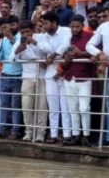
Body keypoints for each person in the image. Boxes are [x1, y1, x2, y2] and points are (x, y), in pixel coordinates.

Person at [58, 14, 94, 146]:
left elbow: (96, 53)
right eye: (72, 26)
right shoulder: (67, 38)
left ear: (82, 26)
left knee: (84, 108)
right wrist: (67, 59)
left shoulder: (89, 37)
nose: (74, 29)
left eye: (77, 26)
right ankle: (75, 135)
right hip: (69, 76)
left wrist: (81, 53)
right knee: (73, 108)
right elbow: (63, 59)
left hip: (84, 77)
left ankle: (86, 136)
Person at [37, 11, 71, 143]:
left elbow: (65, 46)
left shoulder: (66, 31)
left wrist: (52, 55)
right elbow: (45, 49)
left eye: (46, 23)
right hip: (50, 73)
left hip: (64, 72)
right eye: (43, 23)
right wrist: (53, 53)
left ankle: (67, 135)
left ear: (55, 23)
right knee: (53, 106)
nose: (44, 26)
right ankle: (53, 134)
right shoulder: (43, 36)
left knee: (65, 105)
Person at [14, 20, 48, 142]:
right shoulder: (19, 41)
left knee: (42, 106)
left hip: (42, 76)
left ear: (32, 30)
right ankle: (29, 131)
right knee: (26, 106)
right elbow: (12, 58)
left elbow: (48, 51)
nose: (25, 34)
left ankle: (40, 133)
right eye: (22, 32)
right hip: (27, 76)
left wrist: (34, 42)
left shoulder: (42, 38)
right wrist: (17, 51)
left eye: (27, 31)